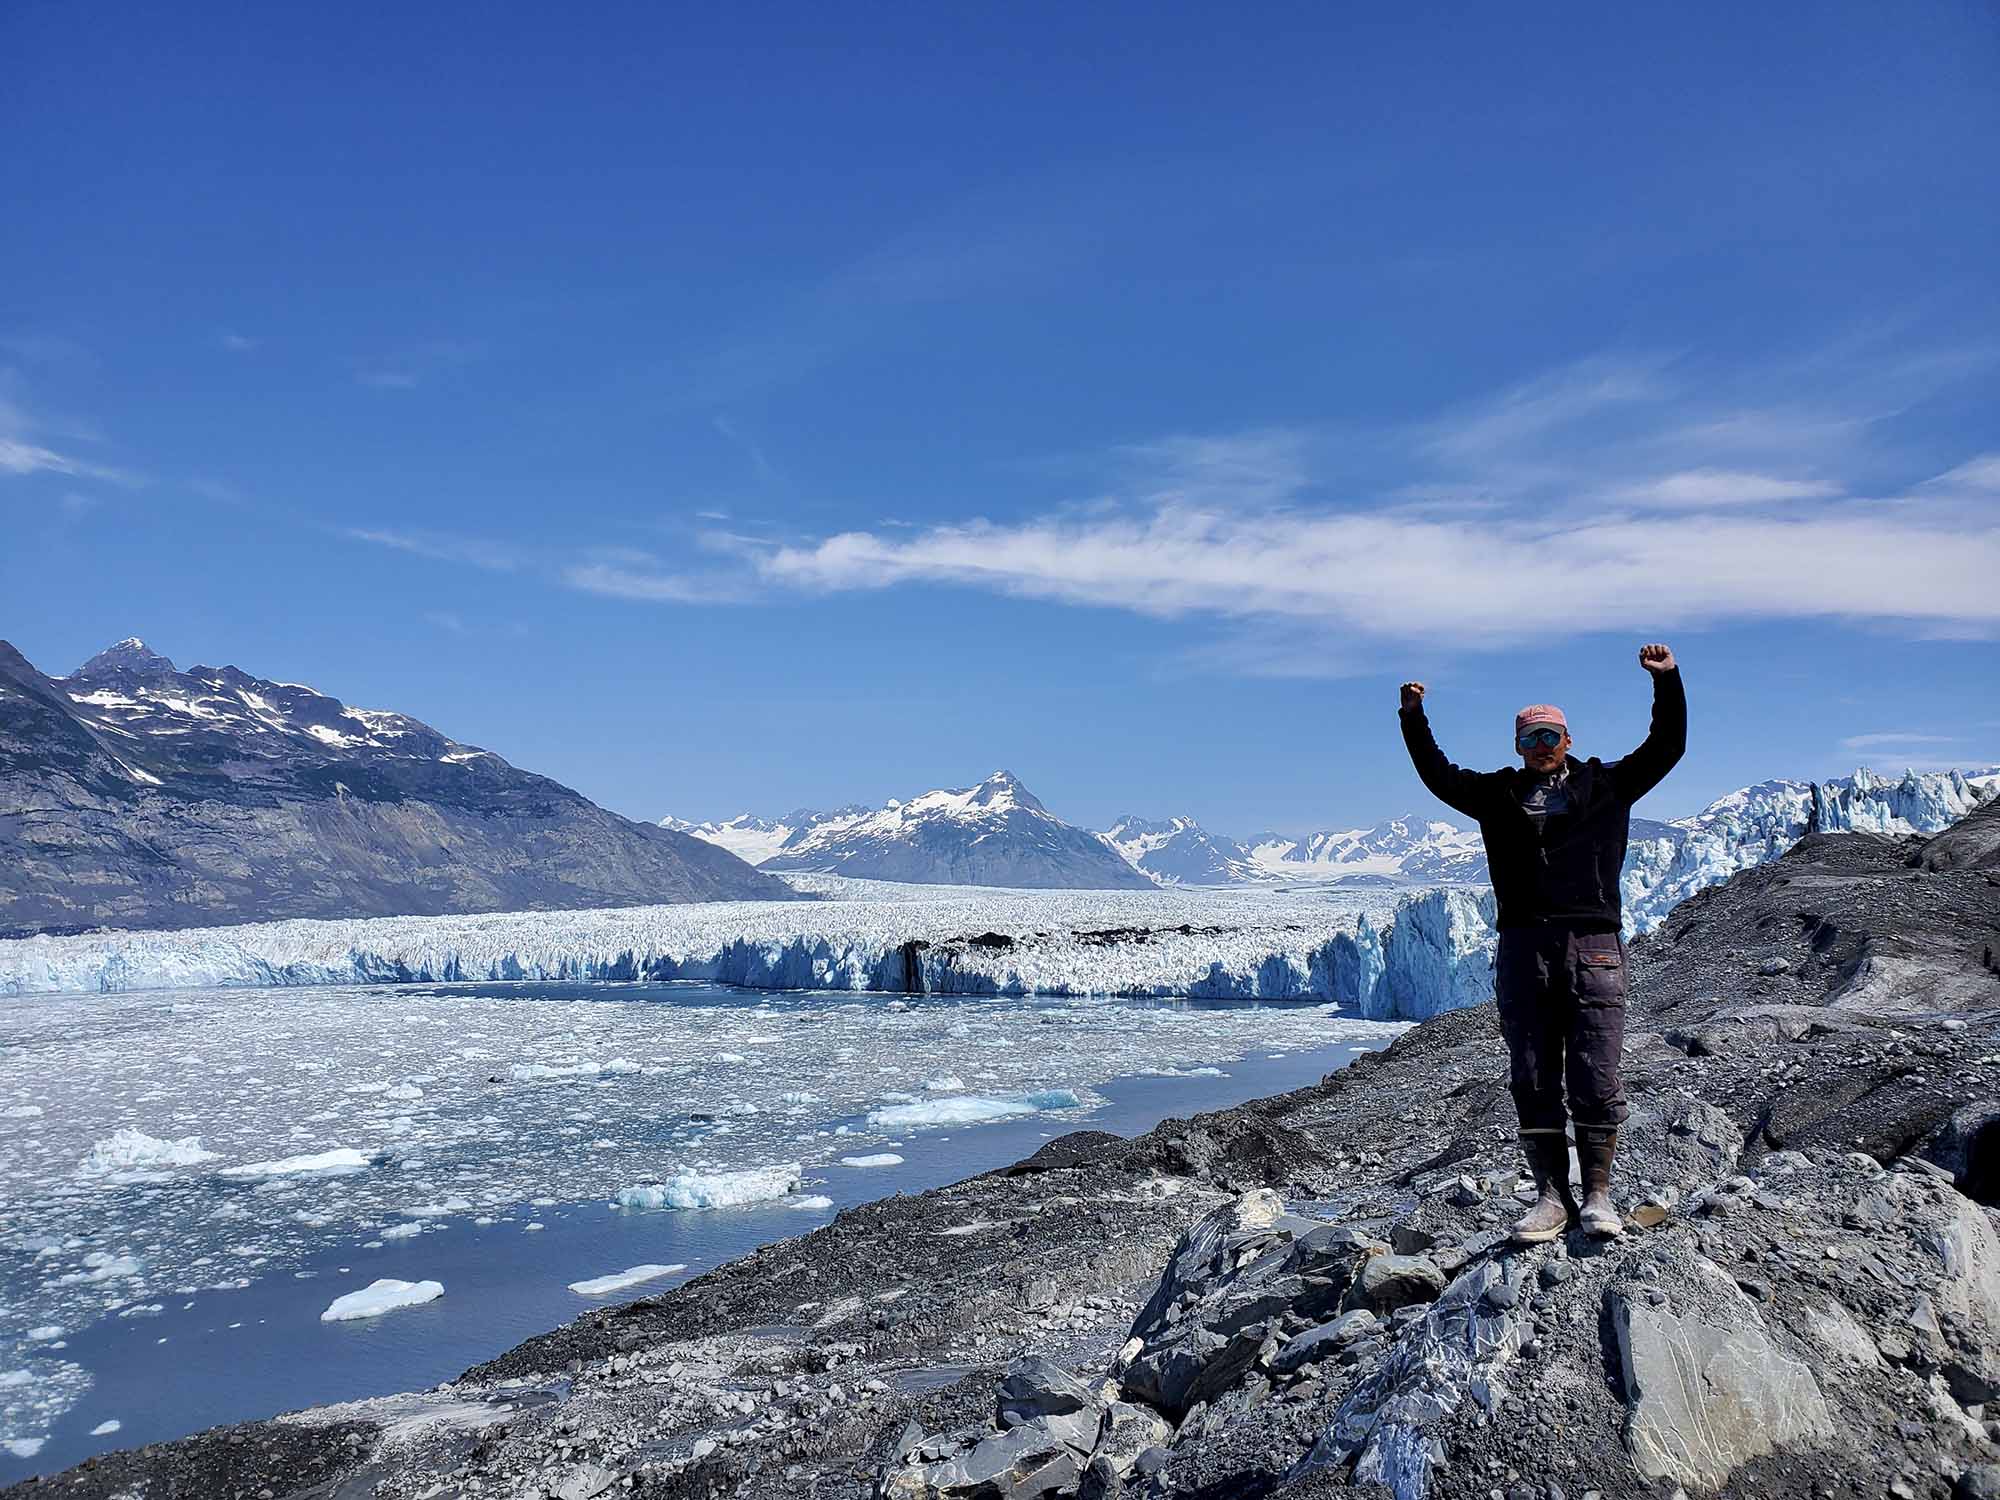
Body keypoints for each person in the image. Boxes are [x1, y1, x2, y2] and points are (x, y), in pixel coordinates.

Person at [1397, 644, 1685, 1240]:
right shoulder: (1496, 797)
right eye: (1530, 738)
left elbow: (1667, 748)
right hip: (1525, 948)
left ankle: (1599, 1194)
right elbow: (1438, 774)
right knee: (1531, 1075)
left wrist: (1667, 682)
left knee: (1596, 1074)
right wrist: (1413, 717)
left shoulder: (1607, 787)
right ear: (1517, 746)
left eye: (1550, 735)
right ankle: (1551, 1197)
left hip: (1593, 944)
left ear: (1568, 739)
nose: (1541, 746)